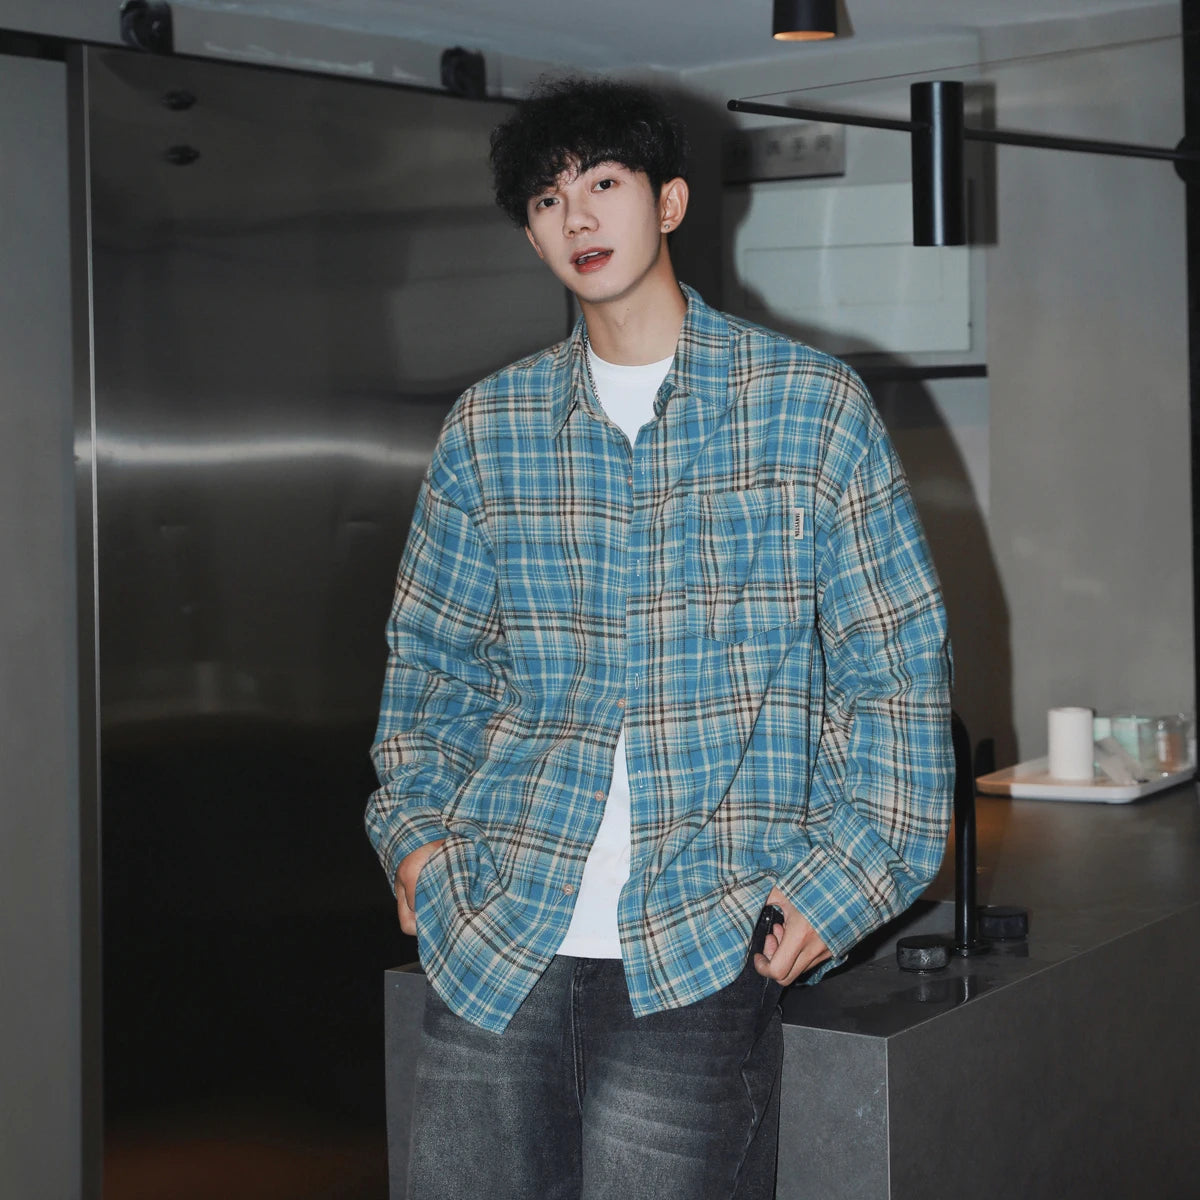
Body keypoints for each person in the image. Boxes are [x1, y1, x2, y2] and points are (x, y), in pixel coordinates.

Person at [366, 76, 953, 1200]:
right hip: (497, 927)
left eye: (603, 182)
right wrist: (419, 844)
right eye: (547, 199)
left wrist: (845, 882)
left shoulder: (811, 409)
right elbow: (433, 668)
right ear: (531, 235)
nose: (576, 216)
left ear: (670, 202)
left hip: (699, 941)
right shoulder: (488, 429)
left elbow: (894, 675)